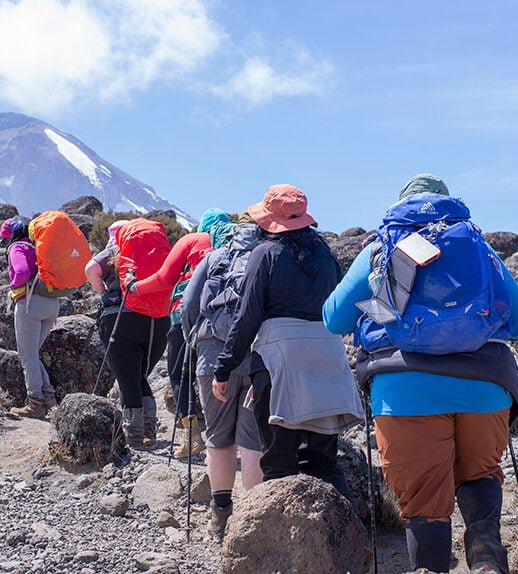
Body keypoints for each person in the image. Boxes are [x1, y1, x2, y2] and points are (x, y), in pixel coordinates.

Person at [323, 174, 518, 574]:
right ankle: (485, 559)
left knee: (425, 504)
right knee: (480, 473)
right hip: (486, 388)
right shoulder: (477, 246)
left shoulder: (381, 247)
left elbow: (334, 318)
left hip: (405, 390)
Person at [213, 185, 364, 499]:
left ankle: (280, 540)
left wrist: (224, 369)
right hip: (328, 357)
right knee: (324, 462)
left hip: (278, 361)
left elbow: (247, 316)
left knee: (279, 461)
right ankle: (342, 534)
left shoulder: (264, 254)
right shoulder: (325, 254)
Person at [182, 214, 263, 540]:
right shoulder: (267, 258)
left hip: (213, 360)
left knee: (217, 439)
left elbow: (189, 304)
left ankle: (220, 519)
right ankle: (253, 520)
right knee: (253, 443)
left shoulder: (215, 257)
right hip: (257, 360)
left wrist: (199, 341)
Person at [128, 208, 231, 458]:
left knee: (180, 374)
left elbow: (165, 278)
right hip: (228, 321)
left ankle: (192, 437)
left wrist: (135, 288)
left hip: (184, 318)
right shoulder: (235, 247)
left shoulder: (192, 241)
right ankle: (228, 439)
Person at [85, 218, 171, 449]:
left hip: (121, 316)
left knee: (127, 378)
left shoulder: (115, 249)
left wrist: (103, 292)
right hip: (159, 320)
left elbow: (91, 269)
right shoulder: (156, 251)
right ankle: (149, 430)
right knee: (140, 375)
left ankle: (134, 435)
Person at [0, 217, 59, 418]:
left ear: (12, 235)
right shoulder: (38, 247)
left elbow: (22, 272)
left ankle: (35, 403)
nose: (5, 243)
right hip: (52, 303)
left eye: (4, 239)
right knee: (32, 353)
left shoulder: (17, 247)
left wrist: (13, 286)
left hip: (31, 305)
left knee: (27, 355)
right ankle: (49, 397)